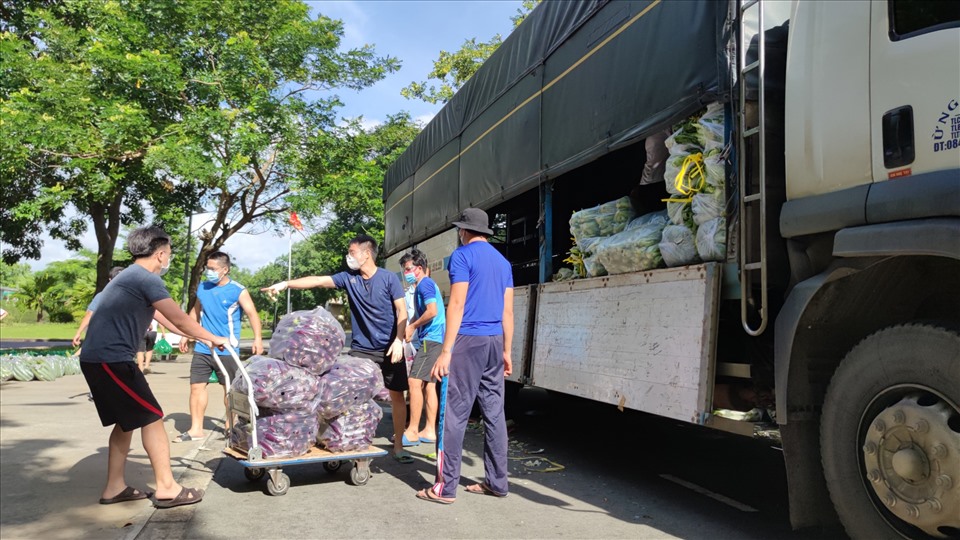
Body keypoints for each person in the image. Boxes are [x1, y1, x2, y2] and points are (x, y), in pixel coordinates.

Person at [78, 225, 228, 509]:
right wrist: (212, 337)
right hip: (112, 360)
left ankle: (114, 487)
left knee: (127, 422)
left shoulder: (130, 277)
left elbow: (166, 317)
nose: (168, 259)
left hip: (99, 359)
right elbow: (181, 319)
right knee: (152, 416)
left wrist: (196, 337)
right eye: (169, 254)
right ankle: (167, 488)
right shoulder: (146, 279)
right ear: (160, 254)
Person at [262, 234, 412, 462]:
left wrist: (399, 340)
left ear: (366, 253)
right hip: (361, 349)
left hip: (391, 347)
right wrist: (286, 284)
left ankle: (399, 445)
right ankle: (353, 440)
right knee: (349, 397)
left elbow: (402, 311)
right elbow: (318, 280)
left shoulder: (389, 278)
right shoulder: (348, 278)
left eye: (352, 252)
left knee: (397, 396)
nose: (348, 257)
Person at [416, 208, 513, 504]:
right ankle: (497, 482)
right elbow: (508, 310)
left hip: (468, 340)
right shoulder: (503, 261)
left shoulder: (462, 256)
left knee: (455, 413)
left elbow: (456, 304)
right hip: (495, 340)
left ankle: (445, 488)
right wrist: (507, 350)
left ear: (464, 231)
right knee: (494, 413)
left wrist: (446, 351)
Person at [174, 251, 264, 443]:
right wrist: (185, 334)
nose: (209, 272)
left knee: (229, 389)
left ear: (225, 269)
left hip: (227, 348)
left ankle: (230, 427)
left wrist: (257, 339)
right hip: (203, 346)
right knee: (196, 387)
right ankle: (196, 429)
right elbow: (196, 311)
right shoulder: (203, 287)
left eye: (213, 269)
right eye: (207, 268)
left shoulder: (238, 290)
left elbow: (252, 314)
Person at [400, 249, 445, 446]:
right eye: (404, 269)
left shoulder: (425, 284)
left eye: (408, 269)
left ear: (419, 268)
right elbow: (419, 314)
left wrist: (412, 326)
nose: (406, 273)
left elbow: (432, 311)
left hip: (431, 340)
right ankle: (429, 430)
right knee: (430, 385)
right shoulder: (423, 286)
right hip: (435, 340)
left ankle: (411, 431)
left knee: (414, 382)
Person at [72, 266, 125, 347]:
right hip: (124, 338)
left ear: (110, 280)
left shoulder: (102, 296)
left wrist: (78, 332)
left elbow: (89, 314)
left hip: (104, 337)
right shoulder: (133, 296)